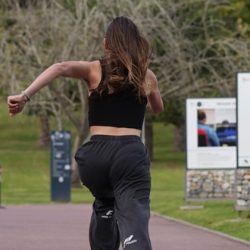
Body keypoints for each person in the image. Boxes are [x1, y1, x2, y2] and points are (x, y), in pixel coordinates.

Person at [7, 16, 164, 250]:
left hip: (95, 157)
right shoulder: (146, 76)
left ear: (106, 44)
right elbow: (159, 109)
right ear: (136, 43)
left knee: (105, 202)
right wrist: (149, 92)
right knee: (134, 214)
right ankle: (133, 242)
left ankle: (106, 216)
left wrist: (25, 96)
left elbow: (59, 67)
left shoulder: (93, 69)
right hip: (129, 154)